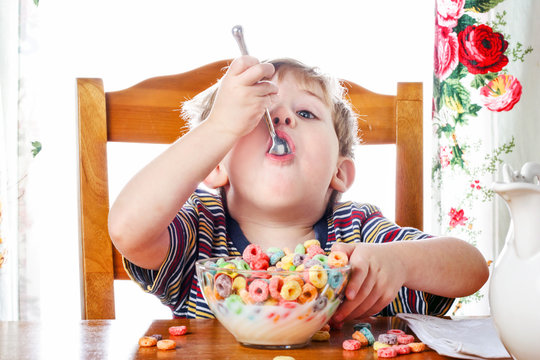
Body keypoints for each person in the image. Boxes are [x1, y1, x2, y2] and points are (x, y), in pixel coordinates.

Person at [108, 56, 489, 322]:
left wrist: (399, 262)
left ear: (339, 172)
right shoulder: (200, 233)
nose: (282, 117)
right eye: (257, 116)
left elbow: (472, 269)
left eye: (306, 113)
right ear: (216, 164)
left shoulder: (358, 230)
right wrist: (220, 127)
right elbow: (128, 228)